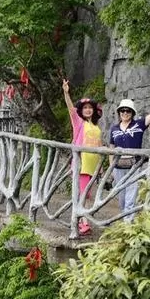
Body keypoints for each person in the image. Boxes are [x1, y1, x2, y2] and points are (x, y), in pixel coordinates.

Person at [109, 96, 150, 222]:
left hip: (134, 165)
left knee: (131, 195)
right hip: (118, 166)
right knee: (121, 196)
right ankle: (125, 218)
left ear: (132, 113)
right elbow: (111, 148)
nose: (125, 113)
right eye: (122, 110)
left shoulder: (138, 124)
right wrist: (111, 168)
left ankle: (128, 223)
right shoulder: (114, 128)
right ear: (119, 112)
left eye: (128, 111)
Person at [63, 79, 102, 236]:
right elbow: (71, 109)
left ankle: (81, 220)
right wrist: (66, 92)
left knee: (87, 195)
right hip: (81, 165)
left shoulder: (96, 127)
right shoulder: (79, 122)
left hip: (92, 165)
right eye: (85, 108)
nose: (87, 110)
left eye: (90, 108)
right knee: (82, 194)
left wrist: (101, 166)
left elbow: (99, 146)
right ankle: (81, 222)